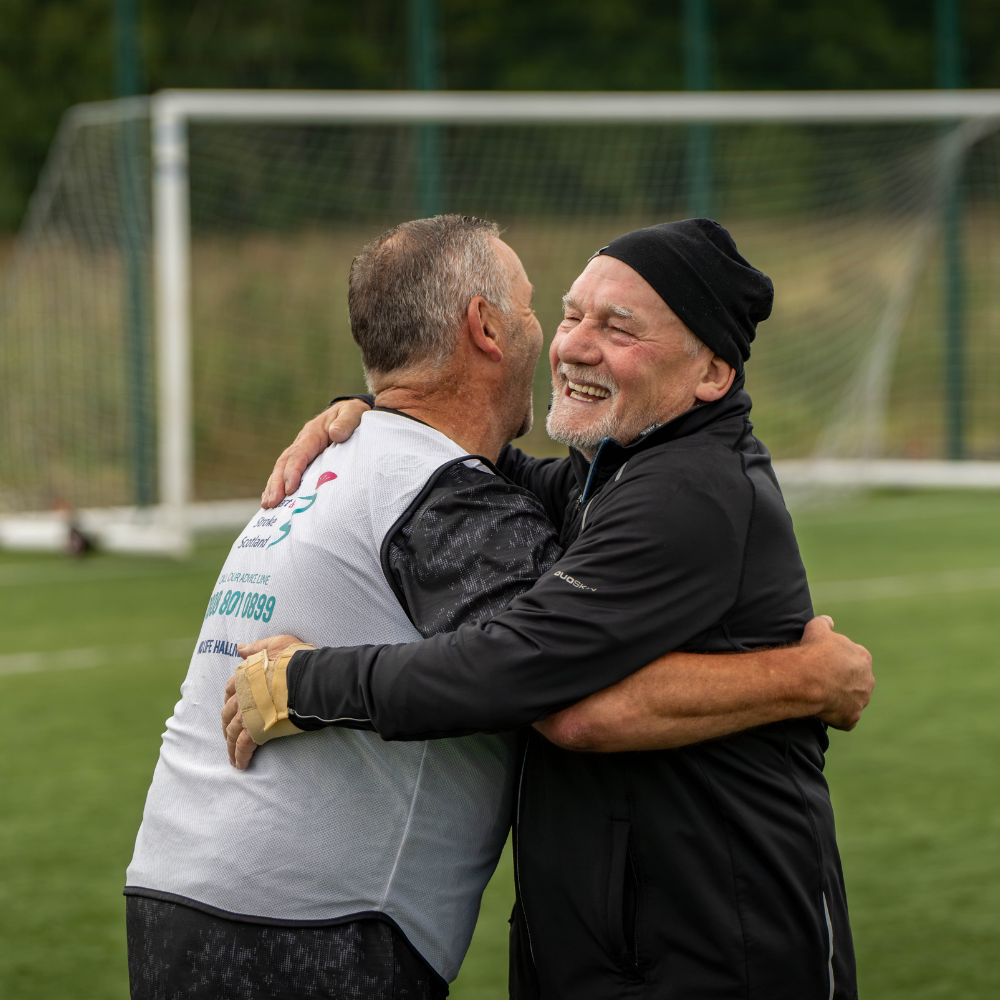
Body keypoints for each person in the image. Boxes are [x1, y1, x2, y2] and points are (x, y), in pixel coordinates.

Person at [233, 217, 872, 1000]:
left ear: (711, 372)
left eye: (618, 327)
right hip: (603, 943)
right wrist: (375, 413)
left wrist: (305, 687)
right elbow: (476, 460)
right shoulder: (608, 474)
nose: (572, 346)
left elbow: (522, 670)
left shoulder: (689, 494)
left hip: (720, 949)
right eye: (571, 314)